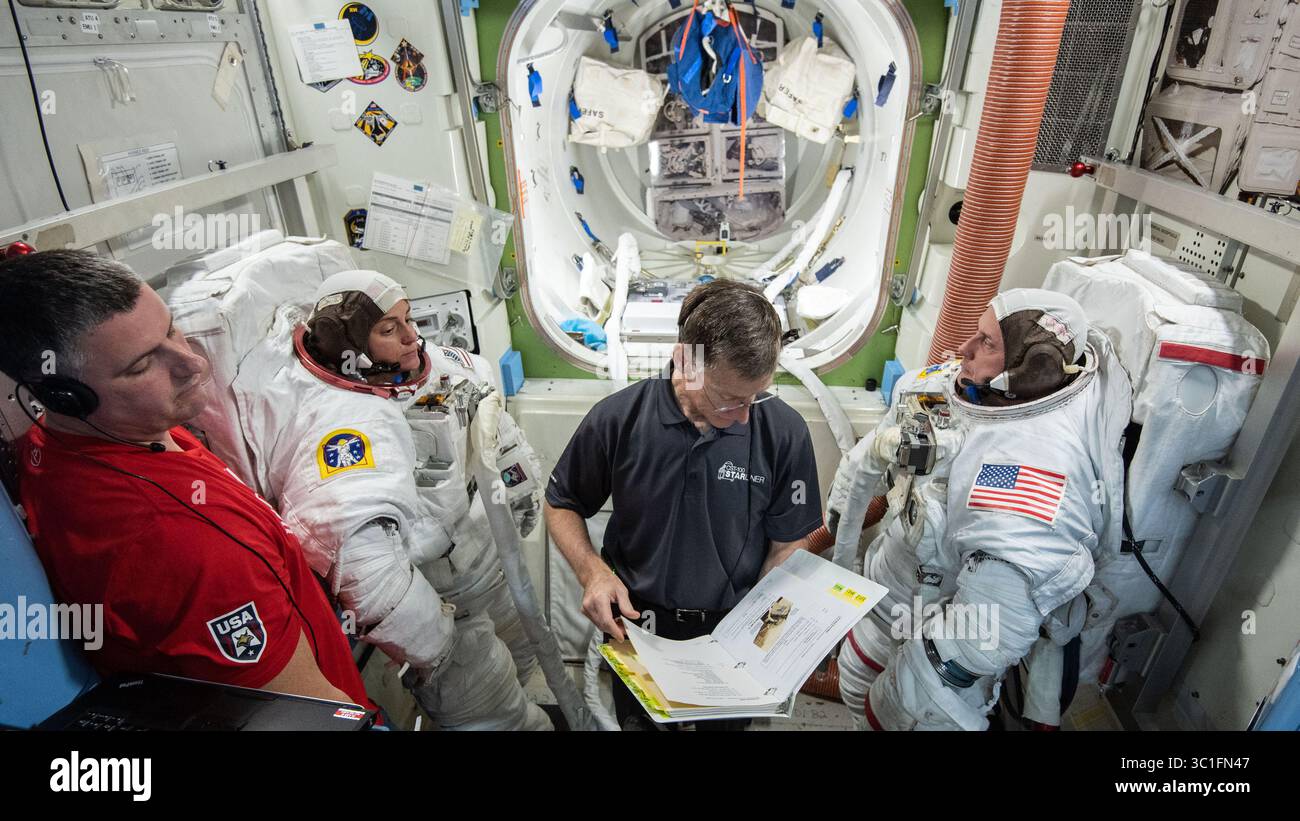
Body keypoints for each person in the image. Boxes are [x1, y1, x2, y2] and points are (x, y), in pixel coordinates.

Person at [0, 250, 374, 710]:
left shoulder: (82, 439)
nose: (191, 363)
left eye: (171, 327)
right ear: (64, 395)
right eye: (140, 366)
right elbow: (315, 717)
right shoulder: (187, 548)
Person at [233, 269, 551, 731]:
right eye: (388, 329)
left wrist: (523, 504)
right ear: (350, 345)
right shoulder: (340, 428)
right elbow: (369, 574)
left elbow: (499, 438)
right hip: (447, 612)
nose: (411, 336)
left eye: (407, 319)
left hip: (495, 568)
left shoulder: (447, 365)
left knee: (525, 665)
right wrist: (438, 648)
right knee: (504, 722)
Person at [827, 288, 1131, 730]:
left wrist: (909, 690)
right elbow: (871, 458)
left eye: (986, 343)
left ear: (1032, 368)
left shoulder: (1033, 462)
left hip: (940, 638)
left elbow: (991, 629)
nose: (963, 349)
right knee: (854, 687)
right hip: (885, 591)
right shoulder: (940, 387)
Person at [545, 279, 824, 729]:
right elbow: (561, 503)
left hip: (733, 635)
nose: (746, 415)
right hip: (641, 629)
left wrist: (769, 626)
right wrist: (592, 572)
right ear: (685, 361)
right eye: (730, 398)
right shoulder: (619, 419)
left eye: (756, 395)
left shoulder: (783, 432)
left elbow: (788, 545)